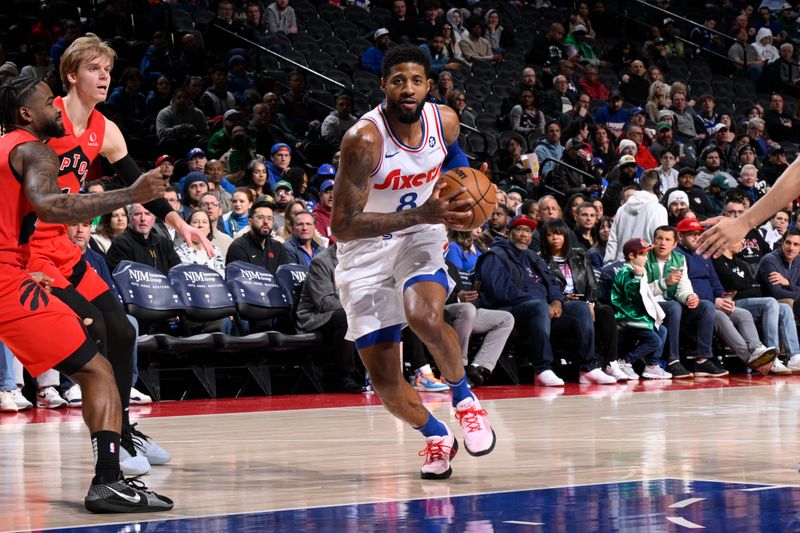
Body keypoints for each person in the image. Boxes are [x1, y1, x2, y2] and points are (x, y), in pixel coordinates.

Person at [27, 35, 203, 477]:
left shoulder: (105, 129)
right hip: (29, 250)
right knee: (98, 329)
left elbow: (134, 177)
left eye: (107, 69)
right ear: (71, 75)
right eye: (93, 69)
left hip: (63, 246)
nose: (104, 76)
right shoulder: (49, 117)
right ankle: (108, 444)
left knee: (123, 330)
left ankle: (124, 428)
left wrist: (177, 222)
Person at [0, 77, 172, 512]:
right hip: (5, 278)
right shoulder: (34, 149)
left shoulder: (3, 148)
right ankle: (109, 481)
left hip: (17, 271)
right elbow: (50, 206)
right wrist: (130, 195)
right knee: (98, 372)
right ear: (25, 114)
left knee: (112, 332)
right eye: (47, 103)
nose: (56, 109)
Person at [331, 45, 495, 480]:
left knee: (423, 314)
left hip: (421, 234)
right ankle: (436, 434)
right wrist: (422, 212)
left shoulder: (444, 121)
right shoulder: (363, 141)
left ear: (429, 85)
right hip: (363, 249)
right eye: (398, 80)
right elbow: (343, 226)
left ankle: (464, 399)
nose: (408, 88)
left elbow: (454, 161)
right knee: (385, 383)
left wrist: (465, 196)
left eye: (416, 80)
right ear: (383, 84)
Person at [476, 216, 614, 386]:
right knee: (538, 305)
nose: (524, 235)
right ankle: (542, 368)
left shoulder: (532, 256)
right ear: (508, 232)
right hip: (510, 311)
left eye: (528, 231)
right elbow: (501, 291)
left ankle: (588, 367)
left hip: (541, 310)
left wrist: (556, 301)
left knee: (580, 308)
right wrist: (542, 303)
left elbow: (552, 282)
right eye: (519, 230)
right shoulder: (494, 256)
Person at [675, 218, 776, 373]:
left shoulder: (703, 254)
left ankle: (757, 350)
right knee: (720, 317)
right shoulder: (678, 256)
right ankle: (750, 359)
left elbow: (714, 281)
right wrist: (714, 301)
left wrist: (724, 298)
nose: (696, 237)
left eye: (698, 234)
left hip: (713, 303)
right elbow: (684, 287)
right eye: (691, 234)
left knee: (743, 314)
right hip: (695, 307)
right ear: (680, 236)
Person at [646, 226, 724, 378]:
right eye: (659, 238)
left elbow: (683, 286)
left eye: (667, 239)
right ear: (653, 241)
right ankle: (673, 360)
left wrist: (689, 297)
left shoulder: (679, 259)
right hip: (649, 306)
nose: (662, 243)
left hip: (672, 306)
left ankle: (702, 360)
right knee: (674, 307)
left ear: (674, 244)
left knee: (706, 306)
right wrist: (664, 283)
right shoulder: (644, 257)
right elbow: (638, 290)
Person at [295, 246, 364, 393]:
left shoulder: (361, 260)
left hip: (345, 311)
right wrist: (359, 307)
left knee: (391, 314)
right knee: (347, 317)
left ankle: (413, 369)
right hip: (315, 316)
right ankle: (344, 377)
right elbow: (325, 302)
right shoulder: (321, 262)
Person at [610, 239, 668, 380]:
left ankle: (652, 365)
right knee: (654, 341)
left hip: (640, 315)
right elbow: (631, 297)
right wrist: (637, 277)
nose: (646, 258)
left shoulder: (639, 270)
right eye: (642, 254)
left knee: (662, 330)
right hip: (629, 316)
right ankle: (625, 361)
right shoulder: (625, 272)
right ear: (631, 256)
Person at [604, 170, 667, 263]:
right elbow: (661, 243)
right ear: (658, 187)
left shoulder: (622, 209)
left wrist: (609, 265)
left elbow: (613, 241)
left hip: (621, 268)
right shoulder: (658, 209)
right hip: (645, 268)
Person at [106, 204, 182, 276]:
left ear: (153, 219)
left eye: (147, 214)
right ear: (130, 218)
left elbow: (178, 272)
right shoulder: (121, 243)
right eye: (137, 214)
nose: (143, 219)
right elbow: (122, 277)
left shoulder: (164, 243)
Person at [225, 200, 288, 274]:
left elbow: (284, 278)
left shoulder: (278, 247)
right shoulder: (238, 247)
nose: (266, 222)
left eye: (269, 218)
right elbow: (242, 282)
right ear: (250, 222)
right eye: (260, 217)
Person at [175, 209, 225, 276]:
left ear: (209, 229)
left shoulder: (216, 251)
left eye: (204, 222)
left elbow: (220, 277)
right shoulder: (179, 251)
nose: (201, 225)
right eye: (195, 222)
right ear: (188, 228)